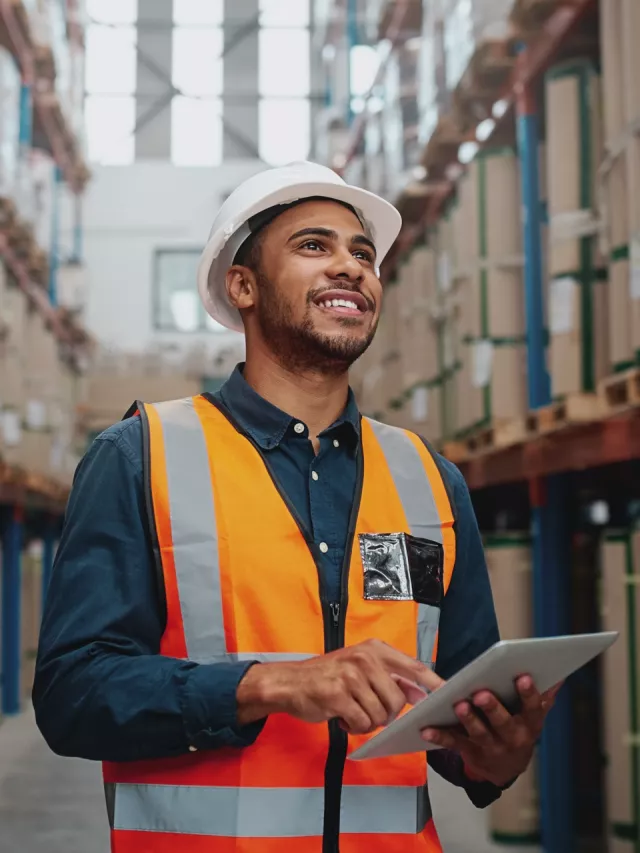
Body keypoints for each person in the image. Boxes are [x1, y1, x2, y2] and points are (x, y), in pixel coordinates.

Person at [34, 161, 559, 853]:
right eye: (315, 246)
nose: (350, 266)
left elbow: (455, 719)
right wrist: (269, 684)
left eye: (362, 253)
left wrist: (497, 754)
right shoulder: (141, 456)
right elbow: (74, 694)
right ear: (242, 285)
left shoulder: (428, 479)